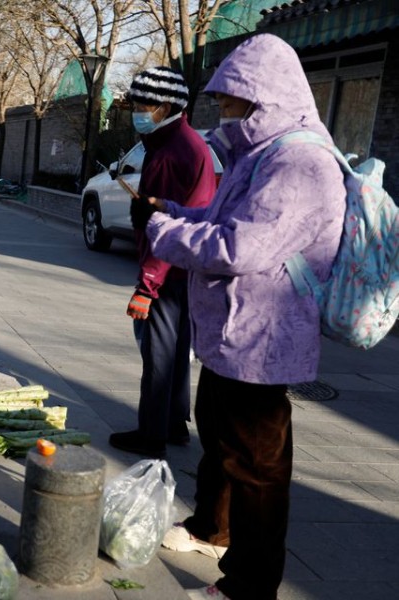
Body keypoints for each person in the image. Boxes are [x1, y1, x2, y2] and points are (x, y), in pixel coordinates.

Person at [137, 34, 344, 600]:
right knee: (222, 440)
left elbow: (242, 247)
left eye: (232, 104)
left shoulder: (300, 161)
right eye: (222, 103)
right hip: (234, 333)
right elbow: (223, 217)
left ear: (265, 100)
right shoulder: (262, 154)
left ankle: (250, 585)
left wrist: (164, 232)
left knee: (258, 467)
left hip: (264, 339)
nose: (223, 115)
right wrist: (177, 213)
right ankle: (212, 528)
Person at [108, 67, 217, 459]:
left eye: (145, 105)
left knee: (158, 350)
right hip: (186, 265)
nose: (138, 111)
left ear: (167, 106)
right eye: (135, 104)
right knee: (176, 345)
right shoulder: (183, 142)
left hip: (169, 267)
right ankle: (173, 423)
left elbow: (162, 228)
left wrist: (146, 286)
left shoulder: (171, 153)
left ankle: (152, 434)